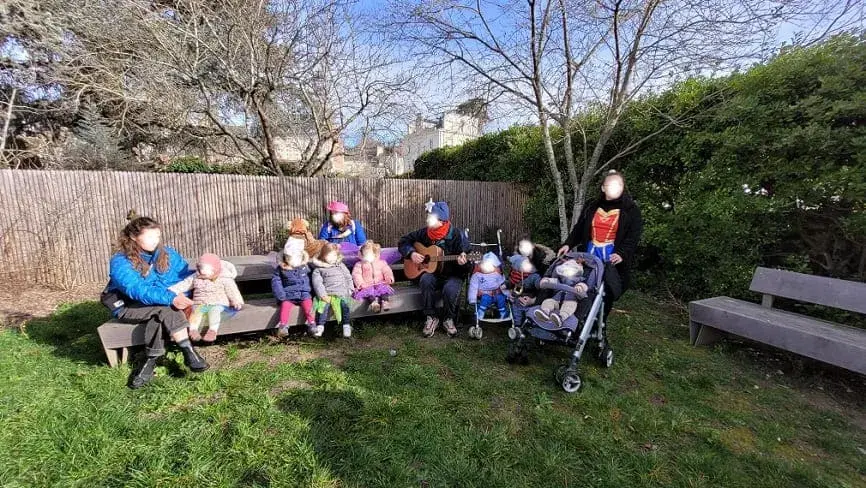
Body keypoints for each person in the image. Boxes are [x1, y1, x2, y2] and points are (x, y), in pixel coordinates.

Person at [105, 216, 209, 389]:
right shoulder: (121, 261)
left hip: (160, 306)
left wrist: (189, 292)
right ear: (133, 237)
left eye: (158, 236)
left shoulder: (167, 254)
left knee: (161, 314)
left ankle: (149, 362)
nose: (156, 241)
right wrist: (171, 298)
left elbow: (182, 278)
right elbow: (136, 290)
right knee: (166, 309)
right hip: (129, 306)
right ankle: (188, 351)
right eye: (150, 236)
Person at [557, 170, 643, 321]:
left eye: (619, 184)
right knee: (581, 287)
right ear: (603, 187)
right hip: (589, 256)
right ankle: (574, 321)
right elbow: (579, 228)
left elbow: (633, 237)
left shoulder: (631, 210)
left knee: (605, 295)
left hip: (612, 260)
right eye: (611, 184)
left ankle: (599, 329)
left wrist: (621, 253)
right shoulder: (592, 206)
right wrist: (568, 244)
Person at [398, 200, 471, 338]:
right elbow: (403, 241)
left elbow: (467, 263)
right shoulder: (424, 233)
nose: (427, 220)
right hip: (433, 274)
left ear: (441, 220)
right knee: (426, 279)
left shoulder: (457, 235)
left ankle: (449, 319)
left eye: (430, 217)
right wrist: (411, 253)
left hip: (453, 275)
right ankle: (431, 317)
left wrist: (463, 263)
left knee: (450, 289)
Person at [169, 253, 244, 344]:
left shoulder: (223, 278)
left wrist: (236, 301)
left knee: (214, 311)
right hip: (201, 303)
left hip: (218, 303)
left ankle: (212, 331)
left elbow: (232, 290)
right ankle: (193, 330)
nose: (203, 271)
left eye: (206, 269)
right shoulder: (196, 277)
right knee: (196, 311)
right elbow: (185, 284)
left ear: (214, 269)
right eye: (201, 268)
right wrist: (172, 290)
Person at [310, 244, 356, 338]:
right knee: (322, 306)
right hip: (328, 293)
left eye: (334, 255)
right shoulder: (319, 269)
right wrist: (322, 295)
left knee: (345, 305)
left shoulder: (340, 265)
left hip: (342, 292)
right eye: (329, 255)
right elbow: (318, 283)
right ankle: (320, 326)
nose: (332, 258)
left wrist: (350, 288)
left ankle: (346, 325)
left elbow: (348, 277)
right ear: (323, 255)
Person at [271, 249, 315, 338]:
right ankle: (283, 326)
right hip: (288, 295)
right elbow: (276, 282)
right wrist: (281, 296)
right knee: (285, 306)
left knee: (309, 307)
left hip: (304, 294)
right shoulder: (281, 269)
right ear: (285, 258)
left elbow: (312, 279)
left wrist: (313, 293)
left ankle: (312, 324)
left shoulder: (305, 267)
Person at [351, 241, 396, 313]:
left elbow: (387, 271)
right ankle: (374, 304)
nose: (367, 256)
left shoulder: (381, 262)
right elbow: (356, 274)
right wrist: (361, 283)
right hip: (367, 285)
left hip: (380, 283)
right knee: (369, 294)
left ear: (374, 254)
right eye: (365, 254)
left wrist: (389, 278)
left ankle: (385, 302)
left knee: (383, 291)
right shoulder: (359, 264)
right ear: (362, 255)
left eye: (369, 254)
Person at [468, 252, 508, 320]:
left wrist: (508, 295)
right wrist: (472, 299)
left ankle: (503, 313)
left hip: (497, 293)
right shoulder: (477, 275)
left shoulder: (497, 274)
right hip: (484, 294)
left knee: (501, 298)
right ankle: (480, 312)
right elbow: (473, 287)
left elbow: (502, 284)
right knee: (485, 298)